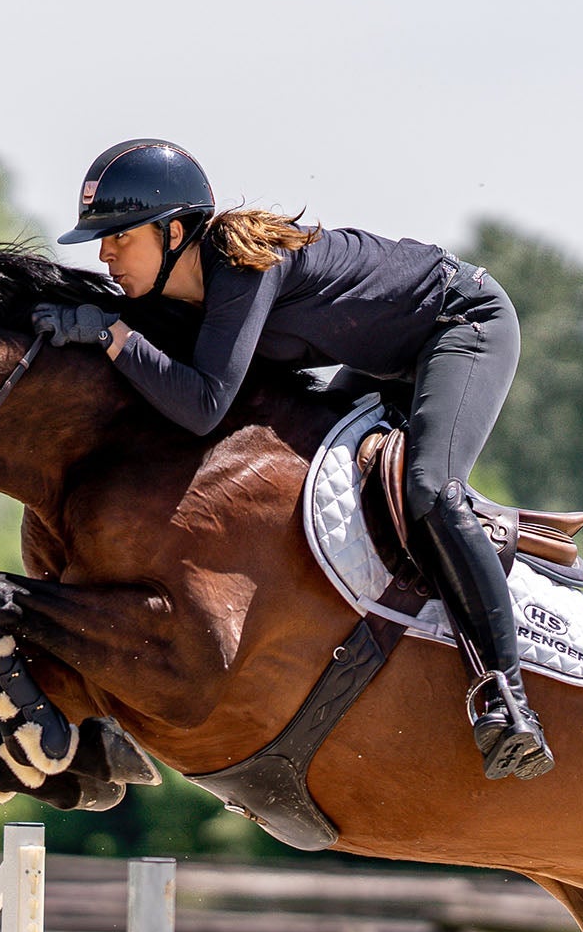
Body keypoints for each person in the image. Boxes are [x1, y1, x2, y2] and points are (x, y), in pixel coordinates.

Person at [34, 138, 552, 780]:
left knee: (428, 489)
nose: (104, 253)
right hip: (377, 362)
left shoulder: (240, 267)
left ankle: (507, 697)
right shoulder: (173, 290)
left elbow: (202, 405)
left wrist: (111, 336)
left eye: (118, 237)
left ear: (173, 232)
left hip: (460, 325)